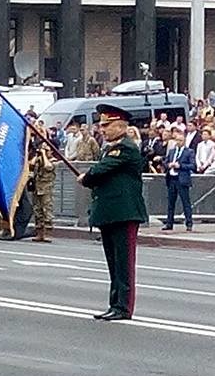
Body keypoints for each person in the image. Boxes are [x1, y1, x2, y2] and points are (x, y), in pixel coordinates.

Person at [77, 104, 148, 321]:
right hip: (111, 213)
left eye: (106, 125)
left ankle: (124, 307)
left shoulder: (125, 148)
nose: (102, 129)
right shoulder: (111, 148)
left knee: (124, 264)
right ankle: (114, 303)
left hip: (124, 213)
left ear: (120, 126)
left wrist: (86, 177)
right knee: (113, 262)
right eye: (101, 125)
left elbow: (101, 169)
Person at [162, 129, 195, 232]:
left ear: (184, 141)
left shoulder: (189, 152)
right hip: (171, 179)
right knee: (170, 203)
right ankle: (169, 223)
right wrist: (168, 165)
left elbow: (193, 165)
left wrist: (180, 166)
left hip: (182, 179)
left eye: (180, 140)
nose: (178, 142)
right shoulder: (172, 151)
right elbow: (165, 162)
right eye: (177, 140)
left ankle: (189, 223)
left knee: (186, 202)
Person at [30, 142, 56, 243]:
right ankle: (39, 233)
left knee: (47, 211)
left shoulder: (53, 161)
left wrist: (44, 155)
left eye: (47, 150)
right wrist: (37, 155)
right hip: (37, 188)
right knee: (37, 211)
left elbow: (48, 167)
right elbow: (31, 165)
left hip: (46, 189)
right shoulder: (39, 160)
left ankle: (47, 233)